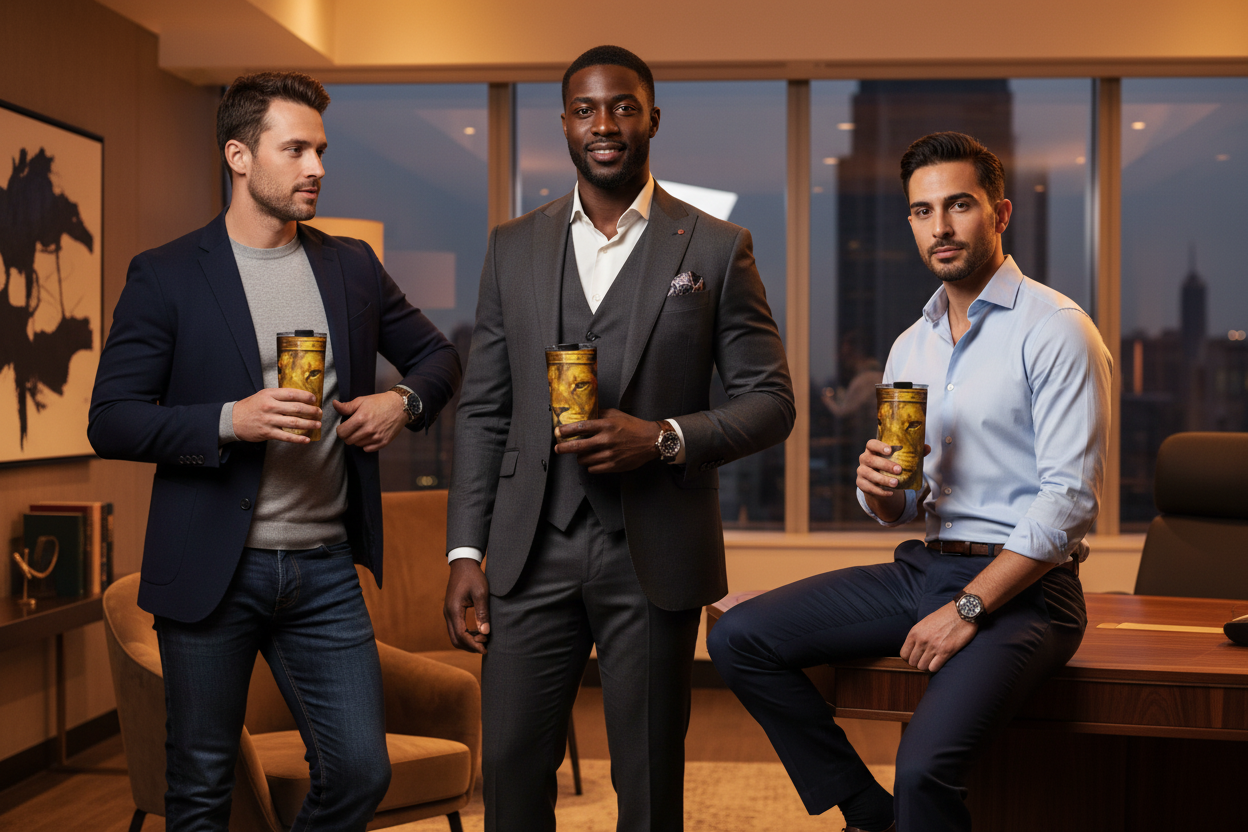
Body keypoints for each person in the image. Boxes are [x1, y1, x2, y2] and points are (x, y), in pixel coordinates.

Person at [88, 71, 461, 832]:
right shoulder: (165, 275)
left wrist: (403, 401)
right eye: (295, 149)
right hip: (208, 573)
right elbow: (111, 420)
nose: (317, 167)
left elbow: (439, 357)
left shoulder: (350, 265)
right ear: (238, 155)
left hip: (324, 570)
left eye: (320, 149)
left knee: (361, 770)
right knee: (200, 788)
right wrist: (231, 419)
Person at [708, 132, 1111, 832]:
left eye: (959, 205)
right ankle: (868, 812)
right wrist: (881, 490)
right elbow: (902, 503)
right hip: (923, 566)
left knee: (925, 773)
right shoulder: (911, 343)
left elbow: (1068, 501)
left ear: (1000, 213)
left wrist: (968, 609)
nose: (941, 226)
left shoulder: (1057, 329)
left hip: (1026, 592)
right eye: (923, 212)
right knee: (741, 636)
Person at [443, 45, 794, 832]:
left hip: (655, 550)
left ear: (652, 119)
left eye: (623, 107)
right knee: (508, 769)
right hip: (528, 548)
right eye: (585, 109)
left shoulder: (713, 247)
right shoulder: (512, 246)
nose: (604, 124)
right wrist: (466, 550)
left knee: (648, 782)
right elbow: (485, 410)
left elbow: (772, 402)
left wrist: (664, 437)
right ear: (564, 123)